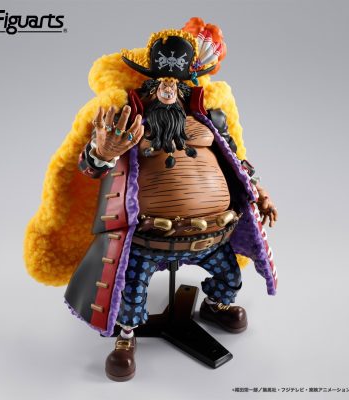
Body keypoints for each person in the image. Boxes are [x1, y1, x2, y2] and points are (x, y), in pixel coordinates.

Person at [24, 18, 278, 382]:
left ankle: (215, 305)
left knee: (230, 277)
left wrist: (260, 193)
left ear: (188, 84)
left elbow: (237, 161)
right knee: (131, 291)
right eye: (161, 82)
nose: (168, 89)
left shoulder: (210, 119)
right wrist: (104, 151)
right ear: (149, 83)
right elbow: (88, 166)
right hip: (149, 239)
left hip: (212, 235)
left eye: (176, 83)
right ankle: (126, 337)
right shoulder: (127, 122)